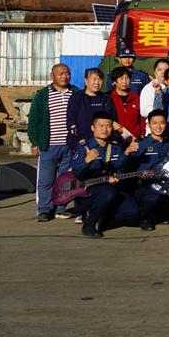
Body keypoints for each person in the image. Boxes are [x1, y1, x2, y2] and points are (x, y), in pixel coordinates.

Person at [70, 112, 138, 238]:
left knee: (133, 212)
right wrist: (86, 161)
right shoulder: (84, 147)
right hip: (86, 193)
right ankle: (89, 225)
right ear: (92, 128)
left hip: (110, 190)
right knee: (108, 192)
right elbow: (76, 173)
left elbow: (119, 168)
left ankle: (104, 219)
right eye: (101, 126)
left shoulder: (115, 148)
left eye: (108, 126)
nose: (105, 129)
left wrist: (118, 176)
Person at [28, 63, 77, 221]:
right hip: (49, 145)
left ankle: (61, 208)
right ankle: (44, 209)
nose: (64, 76)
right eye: (60, 73)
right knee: (46, 180)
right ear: (52, 76)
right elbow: (33, 120)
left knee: (65, 179)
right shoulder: (43, 95)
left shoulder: (75, 92)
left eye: (67, 73)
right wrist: (35, 142)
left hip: (69, 146)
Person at [122, 109, 169, 230]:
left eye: (162, 123)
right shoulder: (140, 144)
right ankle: (144, 218)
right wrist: (127, 152)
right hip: (145, 186)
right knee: (152, 198)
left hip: (165, 183)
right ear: (148, 125)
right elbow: (125, 167)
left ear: (166, 124)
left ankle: (163, 214)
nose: (158, 126)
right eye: (154, 123)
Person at [67, 68, 116, 146]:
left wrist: (114, 139)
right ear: (86, 81)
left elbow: (113, 121)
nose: (97, 82)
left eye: (100, 79)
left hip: (102, 143)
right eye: (94, 79)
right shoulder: (76, 98)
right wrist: (79, 139)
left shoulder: (106, 98)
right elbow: (71, 121)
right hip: (80, 143)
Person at [108, 66, 143, 139]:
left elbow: (141, 119)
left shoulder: (136, 98)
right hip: (116, 139)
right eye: (121, 78)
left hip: (135, 139)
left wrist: (142, 134)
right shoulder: (108, 98)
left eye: (127, 78)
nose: (124, 82)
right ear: (115, 81)